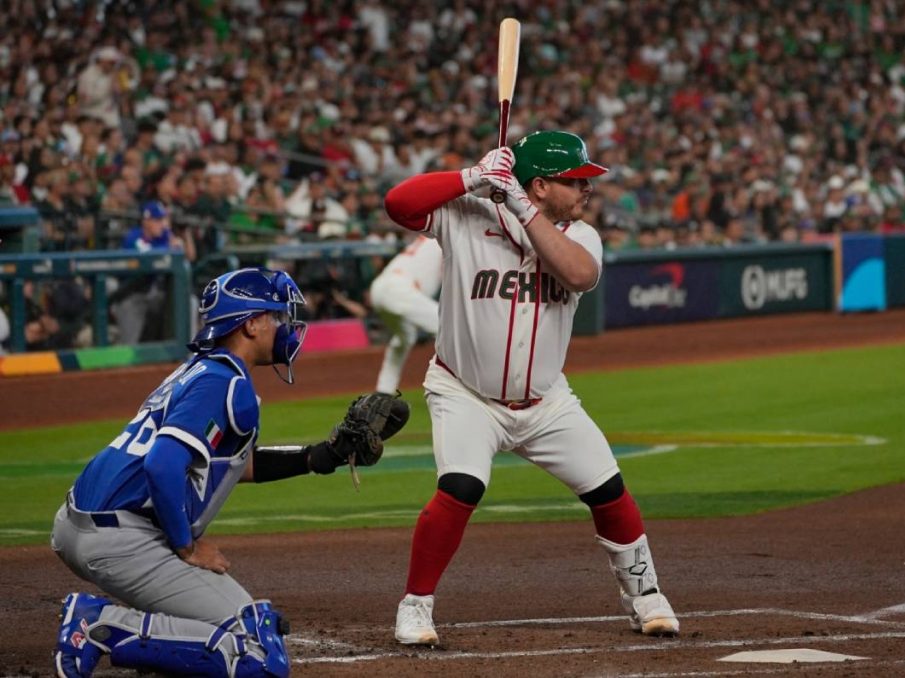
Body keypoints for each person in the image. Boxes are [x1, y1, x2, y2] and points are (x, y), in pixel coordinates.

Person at [383, 131, 680, 646]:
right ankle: (415, 606)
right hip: (465, 393)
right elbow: (398, 204)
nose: (587, 188)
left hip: (547, 402)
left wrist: (520, 205)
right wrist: (470, 178)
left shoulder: (580, 235)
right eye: (576, 180)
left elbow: (579, 275)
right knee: (461, 487)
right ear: (540, 184)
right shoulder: (466, 216)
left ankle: (646, 595)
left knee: (608, 490)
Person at [51, 267, 408, 677]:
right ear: (252, 324)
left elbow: (234, 462)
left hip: (83, 523)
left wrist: (316, 457)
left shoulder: (200, 369)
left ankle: (148, 636)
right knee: (255, 652)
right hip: (121, 538)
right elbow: (162, 463)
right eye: (277, 317)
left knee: (231, 628)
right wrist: (186, 547)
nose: (286, 328)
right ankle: (99, 625)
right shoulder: (225, 383)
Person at [110, 200, 195, 344]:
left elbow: (189, 256)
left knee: (189, 301)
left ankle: (188, 353)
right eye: (157, 220)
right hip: (132, 294)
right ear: (146, 221)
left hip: (156, 295)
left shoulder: (164, 235)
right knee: (129, 346)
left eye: (163, 219)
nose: (162, 224)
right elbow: (146, 257)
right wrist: (170, 248)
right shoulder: (134, 237)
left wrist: (185, 235)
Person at [368, 234, 443, 394]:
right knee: (449, 329)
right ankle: (465, 387)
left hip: (381, 289)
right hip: (400, 290)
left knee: (404, 338)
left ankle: (384, 391)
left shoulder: (431, 239)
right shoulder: (441, 239)